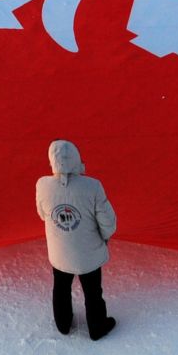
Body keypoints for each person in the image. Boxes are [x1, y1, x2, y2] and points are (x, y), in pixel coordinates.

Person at [36, 140, 117, 340]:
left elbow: (43, 214)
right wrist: (104, 237)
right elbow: (108, 222)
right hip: (88, 253)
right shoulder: (92, 186)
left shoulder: (42, 184)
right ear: (76, 159)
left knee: (61, 288)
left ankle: (63, 324)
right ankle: (97, 327)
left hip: (59, 252)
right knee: (92, 292)